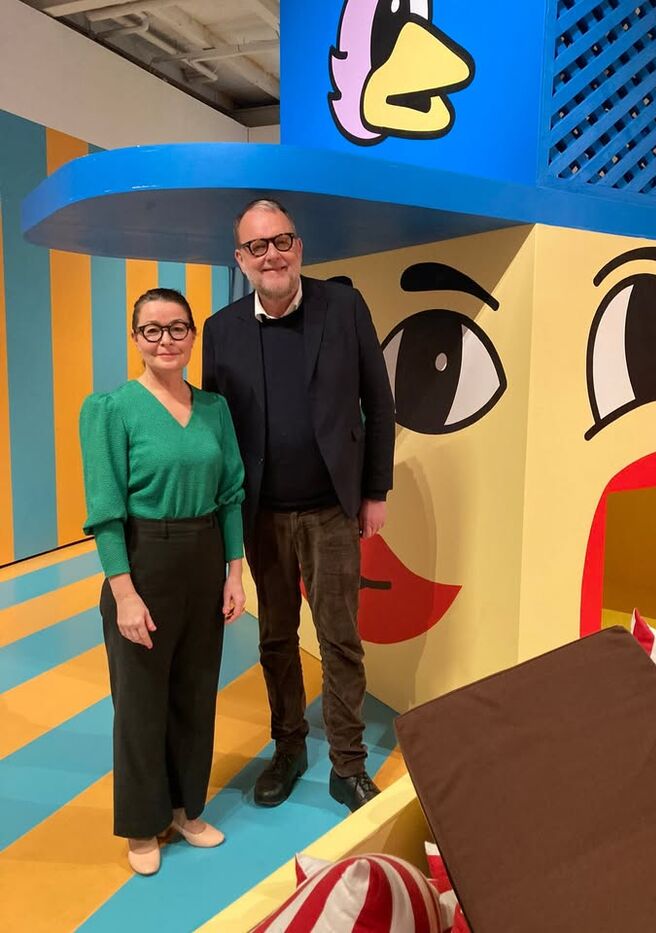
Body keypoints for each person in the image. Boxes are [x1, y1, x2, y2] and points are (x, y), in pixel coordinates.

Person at [202, 198, 395, 812]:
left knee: (340, 640)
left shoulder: (344, 307)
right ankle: (288, 747)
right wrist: (223, 523)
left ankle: (348, 764)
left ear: (299, 246)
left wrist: (375, 491)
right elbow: (217, 432)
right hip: (262, 515)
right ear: (241, 259)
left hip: (333, 509)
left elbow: (379, 402)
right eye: (257, 247)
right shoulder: (221, 330)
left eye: (281, 241)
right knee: (277, 639)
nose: (272, 255)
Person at [79, 287, 246, 876]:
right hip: (143, 558)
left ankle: (184, 809)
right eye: (152, 330)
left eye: (177, 328)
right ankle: (142, 822)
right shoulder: (111, 409)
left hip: (205, 556)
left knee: (195, 694)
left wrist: (234, 572)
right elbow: (105, 510)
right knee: (141, 700)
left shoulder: (215, 409)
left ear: (192, 336)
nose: (166, 340)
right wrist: (123, 593)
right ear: (135, 338)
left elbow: (231, 494)